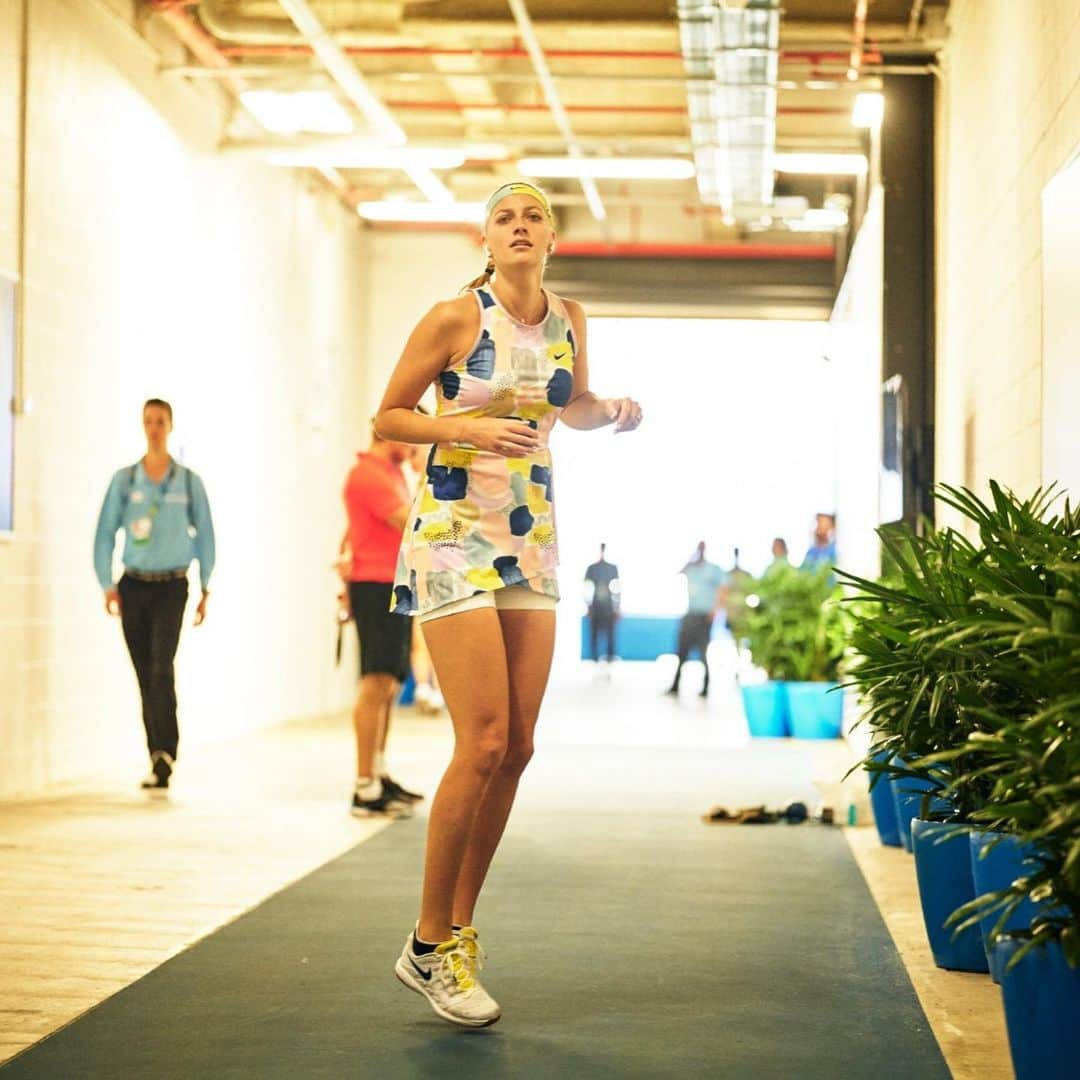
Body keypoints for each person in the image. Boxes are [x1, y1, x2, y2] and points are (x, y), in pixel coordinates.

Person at [374, 179, 642, 1028]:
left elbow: (575, 404)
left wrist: (615, 413)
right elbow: (388, 416)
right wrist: (466, 428)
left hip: (530, 536)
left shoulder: (570, 316)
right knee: (481, 737)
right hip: (453, 534)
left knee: (518, 745)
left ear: (551, 238)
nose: (519, 227)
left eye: (533, 216)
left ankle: (454, 930)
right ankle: (429, 943)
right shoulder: (456, 318)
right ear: (487, 240)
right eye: (504, 217)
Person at [92, 399, 215, 793]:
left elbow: (206, 534)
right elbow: (105, 530)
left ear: (171, 425)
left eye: (160, 421)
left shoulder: (187, 482)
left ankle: (168, 749)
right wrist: (106, 582)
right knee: (145, 672)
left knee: (163, 666)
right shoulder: (126, 481)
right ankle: (156, 756)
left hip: (172, 586)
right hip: (134, 584)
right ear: (142, 426)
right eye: (148, 421)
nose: (154, 428)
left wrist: (206, 585)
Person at [340, 425, 426, 817]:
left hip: (392, 582)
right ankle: (363, 786)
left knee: (390, 683)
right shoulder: (369, 475)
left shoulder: (391, 472)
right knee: (375, 682)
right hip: (374, 585)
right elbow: (411, 524)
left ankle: (377, 772)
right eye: (408, 437)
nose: (412, 446)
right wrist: (429, 472)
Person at [666, 541, 727, 698]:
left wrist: (715, 610)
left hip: (704, 616)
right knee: (681, 652)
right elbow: (675, 572)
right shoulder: (691, 567)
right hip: (690, 614)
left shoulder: (714, 570)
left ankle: (706, 687)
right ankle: (675, 685)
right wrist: (691, 558)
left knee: (703, 652)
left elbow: (723, 589)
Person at [584, 542, 620, 664]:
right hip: (596, 605)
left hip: (608, 606)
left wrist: (617, 607)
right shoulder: (592, 568)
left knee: (610, 633)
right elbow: (587, 587)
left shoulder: (612, 568)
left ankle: (610, 656)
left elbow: (616, 588)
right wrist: (588, 605)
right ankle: (594, 656)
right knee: (594, 632)